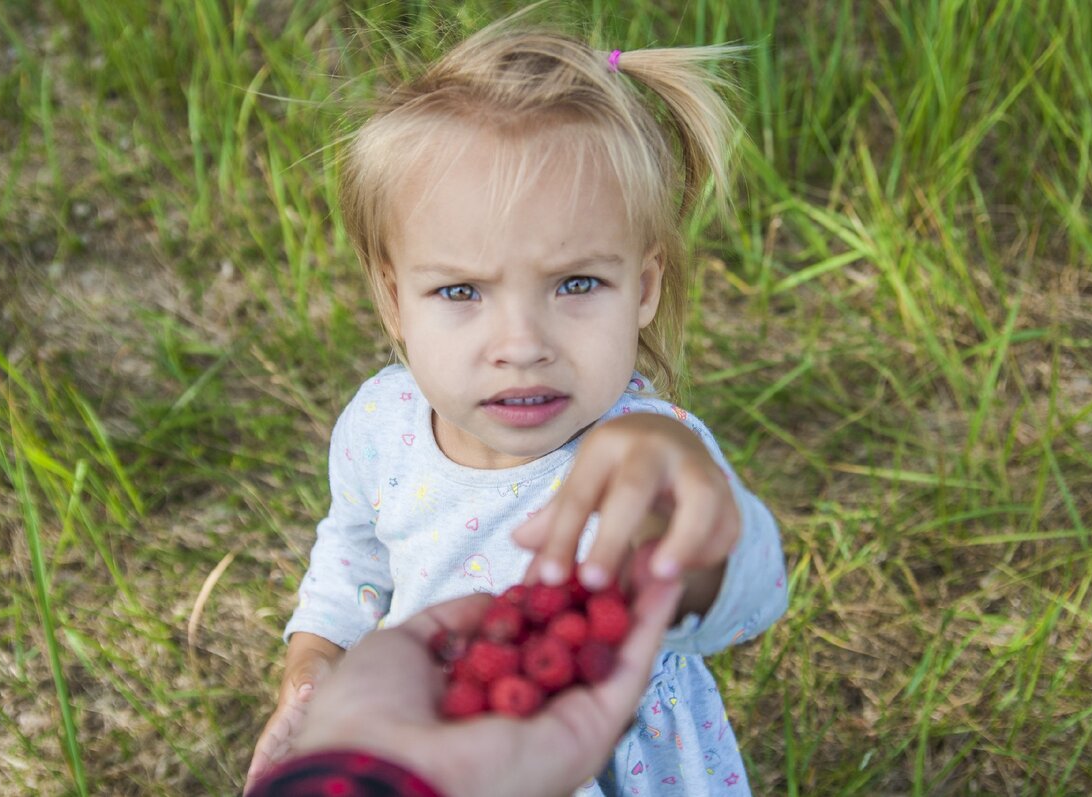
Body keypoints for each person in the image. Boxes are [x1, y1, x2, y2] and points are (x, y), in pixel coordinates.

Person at [248, 15, 789, 797]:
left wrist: (692, 533)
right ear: (394, 300)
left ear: (644, 286)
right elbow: (351, 558)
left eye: (576, 284)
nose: (522, 341)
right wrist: (312, 663)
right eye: (461, 291)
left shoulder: (643, 456)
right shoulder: (381, 425)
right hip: (440, 750)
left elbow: (753, 599)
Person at [247, 575, 686, 796]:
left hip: (637, 742)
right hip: (431, 714)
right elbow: (348, 559)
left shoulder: (648, 446)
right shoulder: (377, 429)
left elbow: (732, 595)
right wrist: (314, 649)